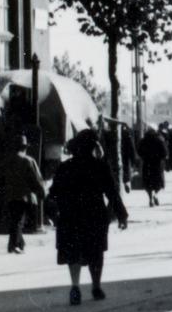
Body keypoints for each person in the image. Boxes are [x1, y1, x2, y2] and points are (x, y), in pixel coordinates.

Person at [46, 129, 128, 303]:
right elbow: (112, 193)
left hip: (70, 215)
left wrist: (54, 212)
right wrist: (121, 215)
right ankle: (96, 286)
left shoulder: (65, 167)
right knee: (96, 252)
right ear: (93, 146)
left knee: (73, 252)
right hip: (94, 215)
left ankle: (75, 286)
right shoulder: (100, 166)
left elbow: (53, 194)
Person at [0, 133, 46, 253]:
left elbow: (1, 179)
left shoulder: (6, 161)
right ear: (25, 147)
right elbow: (36, 179)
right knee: (19, 221)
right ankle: (14, 245)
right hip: (24, 196)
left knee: (15, 220)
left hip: (9, 195)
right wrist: (41, 192)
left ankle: (18, 243)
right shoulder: (28, 161)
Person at [137, 124, 168, 207]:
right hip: (157, 164)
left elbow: (139, 151)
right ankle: (155, 194)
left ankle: (150, 196)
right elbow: (164, 153)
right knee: (158, 182)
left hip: (147, 164)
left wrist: (144, 157)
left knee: (148, 183)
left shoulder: (143, 140)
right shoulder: (159, 140)